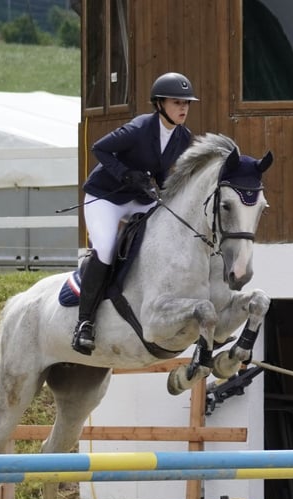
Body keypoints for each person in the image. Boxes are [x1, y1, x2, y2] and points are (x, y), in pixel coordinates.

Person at [72, 72, 199, 355]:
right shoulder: (140, 128)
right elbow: (100, 149)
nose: (183, 108)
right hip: (106, 197)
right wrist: (126, 174)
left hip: (139, 198)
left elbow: (164, 171)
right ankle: (84, 324)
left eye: (187, 103)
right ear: (159, 104)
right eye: (177, 102)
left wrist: (165, 193)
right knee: (105, 248)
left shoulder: (182, 136)